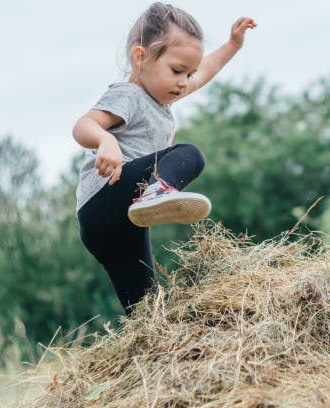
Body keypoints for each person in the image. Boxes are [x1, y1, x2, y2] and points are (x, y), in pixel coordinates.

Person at [72, 3, 256, 314]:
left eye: (189, 73)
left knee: (149, 313)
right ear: (141, 58)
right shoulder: (130, 94)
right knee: (190, 154)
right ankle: (158, 190)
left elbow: (205, 71)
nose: (185, 82)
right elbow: (82, 125)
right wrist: (105, 139)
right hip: (106, 196)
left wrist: (233, 45)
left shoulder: (162, 97)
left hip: (117, 224)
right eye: (176, 71)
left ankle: (149, 351)